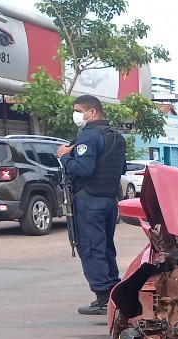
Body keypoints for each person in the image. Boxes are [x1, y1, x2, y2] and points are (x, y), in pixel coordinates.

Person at [57, 95, 127, 315]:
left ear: (92, 112)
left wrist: (64, 157)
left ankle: (103, 296)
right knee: (106, 248)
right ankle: (114, 291)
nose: (76, 114)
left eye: (79, 110)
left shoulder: (88, 136)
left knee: (90, 248)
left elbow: (84, 169)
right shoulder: (116, 137)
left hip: (89, 201)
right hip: (109, 200)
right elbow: (121, 169)